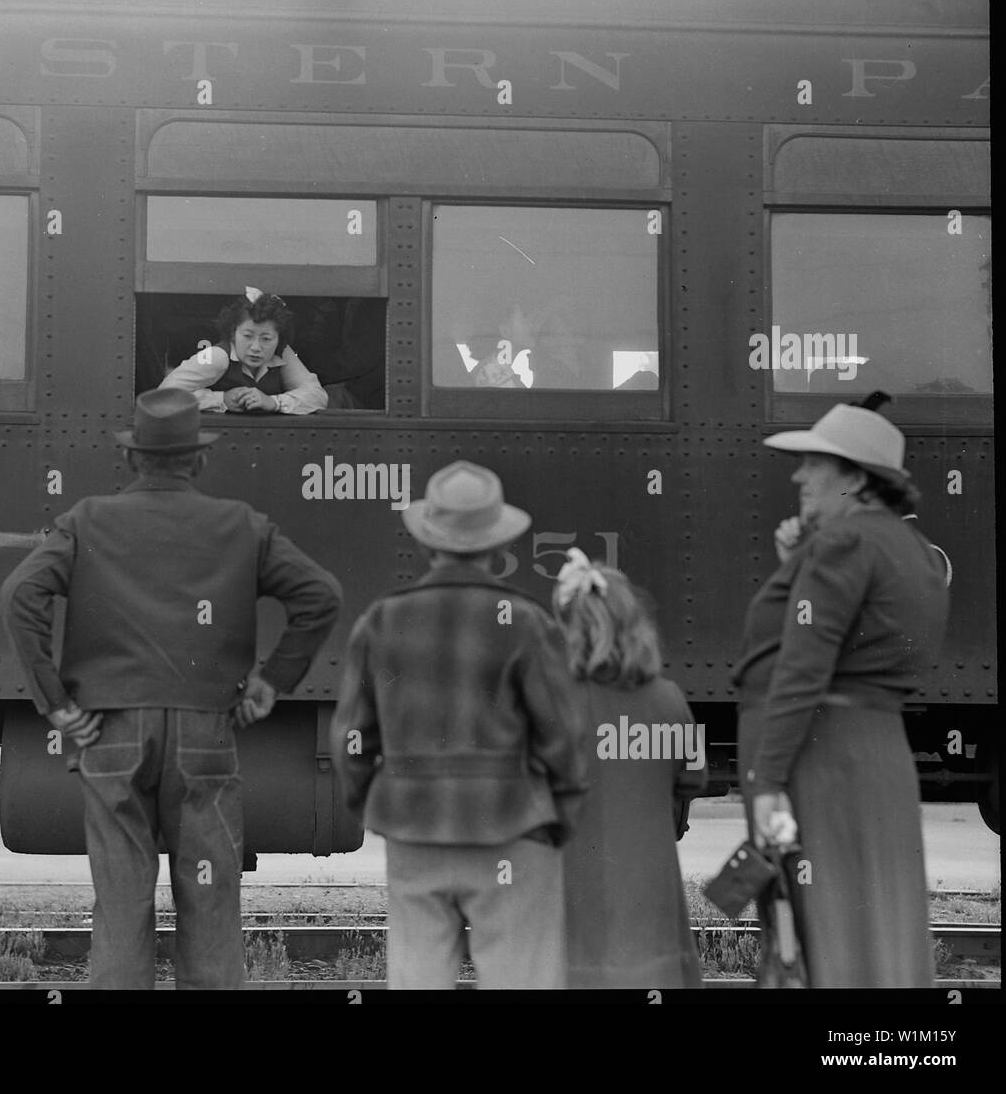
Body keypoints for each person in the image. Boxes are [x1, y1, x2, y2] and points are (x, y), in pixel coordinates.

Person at [0, 387, 342, 988]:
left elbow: (19, 595)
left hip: (108, 732)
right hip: (205, 731)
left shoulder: (87, 520)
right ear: (199, 460)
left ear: (132, 460)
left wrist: (55, 702)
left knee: (123, 896)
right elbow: (321, 596)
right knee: (210, 898)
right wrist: (271, 681)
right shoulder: (240, 525)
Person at [331, 460, 591, 989]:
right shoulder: (524, 621)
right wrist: (557, 817)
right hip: (514, 829)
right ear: (497, 549)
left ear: (428, 542)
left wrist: (379, 806)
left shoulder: (381, 620)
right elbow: (565, 735)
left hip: (414, 830)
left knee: (418, 978)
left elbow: (351, 738)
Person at [731, 394, 949, 987]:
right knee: (876, 919)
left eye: (814, 463)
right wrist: (801, 559)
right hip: (877, 753)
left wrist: (769, 782)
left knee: (817, 929)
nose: (800, 475)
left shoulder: (843, 545)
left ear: (854, 477)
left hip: (820, 758)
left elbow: (801, 670)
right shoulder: (912, 550)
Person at [551, 549, 706, 989]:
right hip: (650, 891)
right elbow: (693, 778)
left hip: (574, 882)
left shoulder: (556, 701)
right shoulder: (669, 697)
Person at [160, 287, 327, 414]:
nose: (256, 347)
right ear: (233, 333)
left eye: (266, 339)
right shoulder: (216, 356)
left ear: (278, 338)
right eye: (248, 336)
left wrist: (273, 402)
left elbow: (318, 396)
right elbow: (164, 396)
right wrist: (221, 399)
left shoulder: (281, 352)